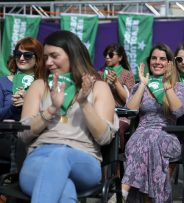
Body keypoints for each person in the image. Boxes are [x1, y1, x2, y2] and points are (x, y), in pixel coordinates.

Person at [17, 30, 119, 203]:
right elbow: (24, 135)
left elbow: (103, 138)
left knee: (60, 155)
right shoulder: (39, 86)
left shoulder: (98, 87)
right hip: (38, 157)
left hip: (83, 159)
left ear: (72, 54)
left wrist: (85, 103)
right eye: (46, 57)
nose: (48, 62)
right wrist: (52, 109)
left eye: (54, 56)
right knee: (65, 189)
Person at [121, 43, 184, 203]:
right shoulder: (139, 86)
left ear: (169, 63)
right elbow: (130, 111)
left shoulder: (177, 87)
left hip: (167, 136)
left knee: (152, 138)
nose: (157, 62)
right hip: (140, 136)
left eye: (162, 59)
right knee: (149, 140)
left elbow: (178, 112)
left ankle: (123, 188)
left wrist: (166, 87)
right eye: (154, 58)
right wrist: (143, 84)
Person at [0, 37, 44, 174]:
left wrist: (29, 103)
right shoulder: (3, 82)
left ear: (37, 58)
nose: (22, 58)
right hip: (7, 136)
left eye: (28, 55)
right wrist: (13, 107)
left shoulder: (43, 84)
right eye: (18, 54)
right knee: (18, 143)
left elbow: (53, 112)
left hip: (36, 135)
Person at [100, 43, 135, 150]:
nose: (107, 57)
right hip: (103, 113)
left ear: (120, 57)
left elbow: (128, 100)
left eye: (110, 54)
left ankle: (118, 161)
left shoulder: (127, 74)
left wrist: (116, 82)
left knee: (117, 128)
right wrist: (104, 84)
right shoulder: (100, 74)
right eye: (105, 54)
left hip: (122, 116)